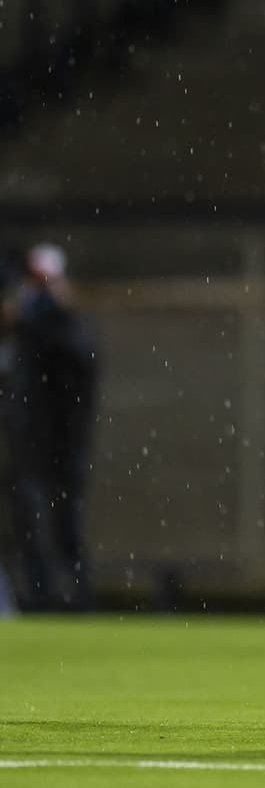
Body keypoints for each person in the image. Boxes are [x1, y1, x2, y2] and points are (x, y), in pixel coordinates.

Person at [2, 242, 99, 611]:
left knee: (66, 523)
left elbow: (80, 361)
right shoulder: (21, 334)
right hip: (26, 444)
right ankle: (39, 595)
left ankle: (77, 597)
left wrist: (44, 315)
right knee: (28, 521)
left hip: (63, 442)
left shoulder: (68, 328)